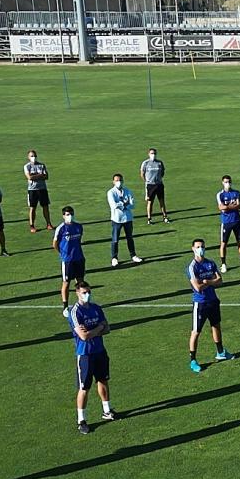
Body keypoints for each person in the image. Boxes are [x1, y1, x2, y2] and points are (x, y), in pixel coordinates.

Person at [68, 281, 117, 434]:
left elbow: (107, 328)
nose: (87, 294)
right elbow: (83, 336)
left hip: (100, 351)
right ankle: (81, 420)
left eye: (88, 291)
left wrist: (94, 331)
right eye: (84, 292)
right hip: (85, 355)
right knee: (84, 388)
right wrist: (99, 328)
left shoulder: (96, 308)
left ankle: (106, 410)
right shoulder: (75, 312)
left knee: (103, 380)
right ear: (77, 293)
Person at [187, 239, 233, 372]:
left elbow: (220, 281)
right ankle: (193, 360)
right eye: (198, 247)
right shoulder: (192, 267)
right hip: (200, 303)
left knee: (216, 326)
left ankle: (220, 352)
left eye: (202, 246)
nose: (200, 249)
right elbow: (197, 287)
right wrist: (211, 282)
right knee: (196, 332)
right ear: (193, 249)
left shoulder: (210, 263)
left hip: (213, 301)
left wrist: (207, 282)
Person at [53, 205, 86, 317]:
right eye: (67, 214)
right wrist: (62, 253)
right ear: (63, 216)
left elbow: (79, 240)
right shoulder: (61, 228)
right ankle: (65, 306)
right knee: (66, 282)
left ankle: (82, 303)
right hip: (67, 261)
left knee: (80, 282)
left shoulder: (79, 227)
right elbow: (55, 244)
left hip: (79, 258)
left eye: (71, 213)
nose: (70, 216)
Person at [216, 176, 240, 273]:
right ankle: (223, 264)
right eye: (226, 182)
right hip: (226, 222)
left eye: (229, 181)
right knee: (224, 243)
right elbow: (221, 207)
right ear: (222, 183)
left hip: (237, 220)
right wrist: (232, 206)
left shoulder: (236, 192)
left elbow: (239, 206)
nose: (228, 183)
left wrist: (228, 207)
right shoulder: (220, 195)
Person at [106, 174, 142, 267]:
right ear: (113, 182)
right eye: (117, 180)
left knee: (130, 237)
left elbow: (132, 204)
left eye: (120, 180)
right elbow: (113, 205)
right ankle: (114, 258)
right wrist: (125, 204)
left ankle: (133, 255)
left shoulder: (128, 191)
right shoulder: (111, 192)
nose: (119, 182)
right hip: (117, 219)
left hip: (128, 218)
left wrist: (123, 205)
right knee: (115, 239)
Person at [23, 150, 51, 233]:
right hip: (32, 190)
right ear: (28, 157)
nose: (33, 157)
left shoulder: (41, 165)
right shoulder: (27, 166)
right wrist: (40, 175)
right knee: (32, 208)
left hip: (42, 189)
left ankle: (48, 223)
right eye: (31, 156)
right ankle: (32, 225)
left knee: (45, 206)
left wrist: (35, 175)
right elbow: (29, 177)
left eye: (34, 156)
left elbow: (46, 176)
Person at [140, 148, 168, 224]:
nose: (153, 155)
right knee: (150, 202)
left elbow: (162, 172)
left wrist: (158, 179)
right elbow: (142, 173)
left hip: (159, 185)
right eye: (152, 153)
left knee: (162, 201)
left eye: (154, 153)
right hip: (150, 185)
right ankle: (149, 218)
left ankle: (165, 217)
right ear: (149, 154)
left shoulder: (159, 163)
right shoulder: (145, 163)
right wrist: (147, 181)